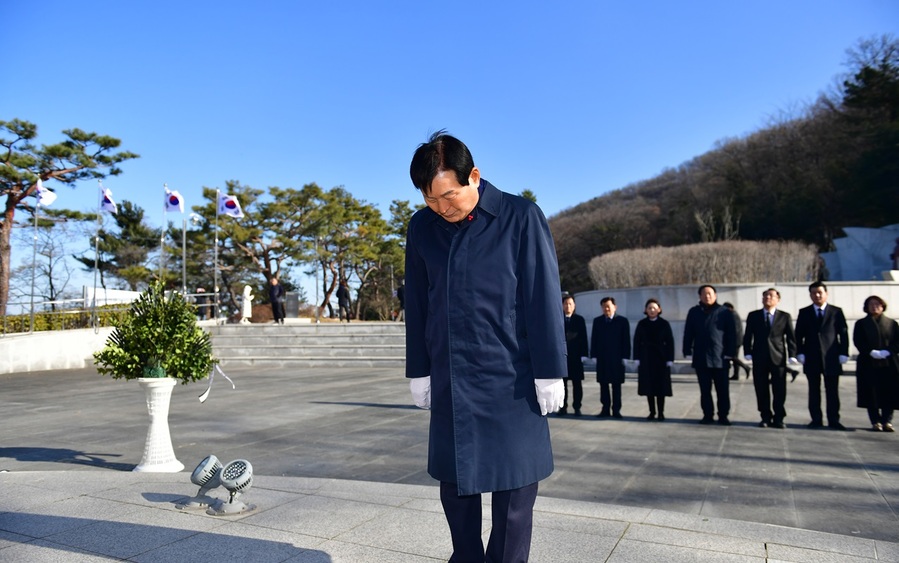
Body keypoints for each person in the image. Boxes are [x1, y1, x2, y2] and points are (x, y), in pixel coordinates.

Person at [404, 131, 566, 563]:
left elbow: (542, 295)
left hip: (512, 376)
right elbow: (417, 303)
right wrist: (419, 369)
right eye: (431, 200)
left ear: (474, 176)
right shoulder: (422, 228)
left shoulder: (521, 216)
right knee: (455, 488)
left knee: (514, 494)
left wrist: (550, 370)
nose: (442, 208)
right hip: (452, 375)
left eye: (450, 195)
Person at [795, 281, 849, 430]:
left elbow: (843, 334)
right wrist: (799, 352)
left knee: (832, 391)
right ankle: (816, 419)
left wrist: (844, 352)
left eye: (820, 292)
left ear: (826, 293)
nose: (817, 295)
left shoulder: (836, 312)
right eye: (813, 293)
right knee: (814, 390)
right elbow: (798, 335)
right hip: (811, 357)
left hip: (831, 357)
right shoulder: (804, 312)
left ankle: (834, 420)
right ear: (810, 295)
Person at [742, 288, 798, 429]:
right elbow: (748, 335)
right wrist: (747, 351)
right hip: (759, 357)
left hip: (778, 358)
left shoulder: (784, 316)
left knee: (779, 389)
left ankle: (779, 417)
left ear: (778, 299)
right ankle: (765, 416)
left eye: (771, 296)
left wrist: (792, 355)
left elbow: (791, 338)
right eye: (765, 295)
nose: (768, 298)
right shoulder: (753, 316)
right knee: (761, 388)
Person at [683, 285, 735, 425]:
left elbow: (731, 334)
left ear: (715, 295)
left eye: (710, 294)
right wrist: (687, 350)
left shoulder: (724, 312)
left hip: (720, 357)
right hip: (701, 357)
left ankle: (723, 415)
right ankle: (707, 415)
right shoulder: (694, 312)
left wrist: (730, 353)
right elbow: (688, 332)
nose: (707, 296)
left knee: (722, 390)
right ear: (700, 296)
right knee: (705, 390)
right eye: (704, 294)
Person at [852, 295, 899, 432]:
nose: (874, 306)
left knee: (889, 392)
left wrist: (888, 351)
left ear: (883, 306)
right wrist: (870, 352)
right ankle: (875, 421)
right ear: (866, 307)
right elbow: (858, 341)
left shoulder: (892, 323)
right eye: (871, 304)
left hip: (889, 363)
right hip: (868, 363)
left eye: (877, 304)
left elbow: (897, 341)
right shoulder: (861, 324)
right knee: (871, 392)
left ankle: (887, 421)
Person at [633, 298, 674, 421]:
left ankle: (661, 412)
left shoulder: (664, 324)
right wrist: (636, 357)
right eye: (649, 308)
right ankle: (652, 412)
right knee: (649, 386)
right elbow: (636, 341)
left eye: (654, 308)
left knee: (660, 387)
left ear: (659, 309)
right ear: (646, 310)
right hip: (646, 358)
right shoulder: (642, 324)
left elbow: (670, 342)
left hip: (661, 359)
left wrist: (669, 359)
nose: (652, 310)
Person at [590, 296, 631, 418]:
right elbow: (594, 339)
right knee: (603, 384)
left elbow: (626, 340)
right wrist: (594, 355)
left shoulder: (622, 321)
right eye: (603, 306)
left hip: (617, 358)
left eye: (608, 306)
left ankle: (616, 410)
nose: (606, 308)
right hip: (602, 358)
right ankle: (605, 408)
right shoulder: (597, 321)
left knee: (616, 385)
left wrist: (625, 356)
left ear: (614, 307)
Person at [560, 293, 589, 416]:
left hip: (576, 357)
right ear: (562, 306)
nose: (568, 306)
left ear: (574, 306)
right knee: (562, 385)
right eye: (565, 304)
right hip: (562, 357)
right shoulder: (558, 319)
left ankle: (577, 407)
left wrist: (584, 354)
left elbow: (584, 338)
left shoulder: (579, 320)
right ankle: (563, 407)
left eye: (570, 304)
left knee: (577, 384)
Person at [723, 303, 751, 381]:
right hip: (736, 340)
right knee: (733, 357)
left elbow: (734, 329)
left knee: (731, 356)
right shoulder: (733, 314)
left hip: (735, 340)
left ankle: (746, 367)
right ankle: (736, 374)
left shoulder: (732, 315)